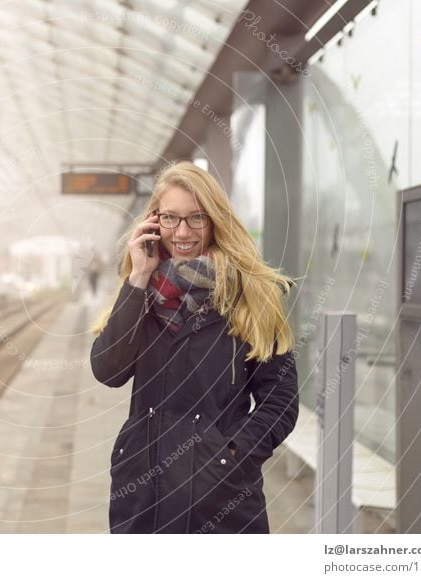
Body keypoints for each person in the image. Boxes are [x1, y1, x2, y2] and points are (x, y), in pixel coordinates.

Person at [89, 161, 300, 534]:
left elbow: (280, 398)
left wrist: (233, 455)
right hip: (142, 494)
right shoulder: (140, 292)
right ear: (153, 222)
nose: (182, 232)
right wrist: (137, 278)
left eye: (196, 218)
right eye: (170, 218)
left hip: (222, 499)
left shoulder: (251, 294)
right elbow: (109, 371)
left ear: (215, 220)